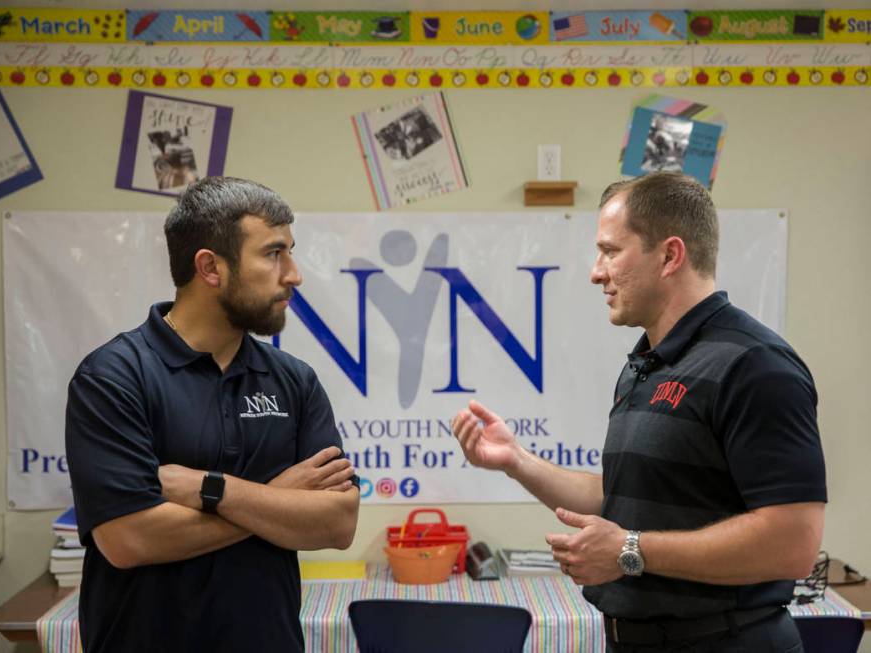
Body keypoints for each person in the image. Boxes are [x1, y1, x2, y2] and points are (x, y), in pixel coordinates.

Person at [452, 172, 826, 652]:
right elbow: (627, 496)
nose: (595, 271)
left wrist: (630, 552)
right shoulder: (647, 364)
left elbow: (793, 543)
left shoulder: (754, 365)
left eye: (611, 251)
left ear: (670, 255)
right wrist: (516, 461)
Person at [65, 176, 359, 652]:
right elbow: (129, 539)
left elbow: (337, 523)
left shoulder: (294, 380)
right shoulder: (113, 377)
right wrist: (277, 500)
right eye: (273, 253)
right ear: (210, 267)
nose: (294, 274)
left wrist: (213, 489)